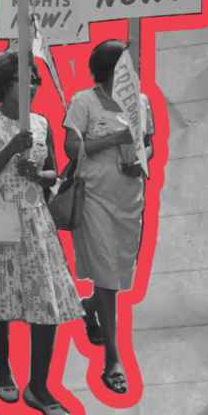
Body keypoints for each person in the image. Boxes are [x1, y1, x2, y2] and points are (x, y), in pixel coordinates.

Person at [0, 50, 83, 415]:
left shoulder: (43, 125)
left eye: (34, 79)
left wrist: (37, 174)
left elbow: (56, 177)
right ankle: (2, 368)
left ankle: (40, 387)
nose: (30, 85)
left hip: (35, 222)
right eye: (22, 79)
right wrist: (10, 151)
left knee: (46, 305)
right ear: (3, 84)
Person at [63, 39, 154, 396]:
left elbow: (151, 143)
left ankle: (89, 307)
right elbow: (72, 147)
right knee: (108, 278)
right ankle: (113, 359)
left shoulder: (141, 102)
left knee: (114, 273)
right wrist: (112, 138)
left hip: (130, 200)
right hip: (94, 198)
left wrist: (141, 159)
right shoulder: (83, 102)